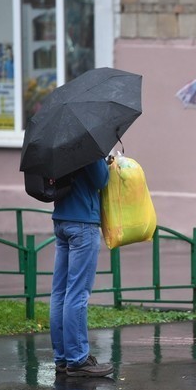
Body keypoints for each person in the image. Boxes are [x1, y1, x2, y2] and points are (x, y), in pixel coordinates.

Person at [50, 157, 114, 378]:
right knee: (77, 293)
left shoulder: (57, 143)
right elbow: (101, 179)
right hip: (82, 223)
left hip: (61, 219)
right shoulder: (85, 145)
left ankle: (62, 358)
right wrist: (105, 162)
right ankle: (78, 360)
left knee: (59, 294)